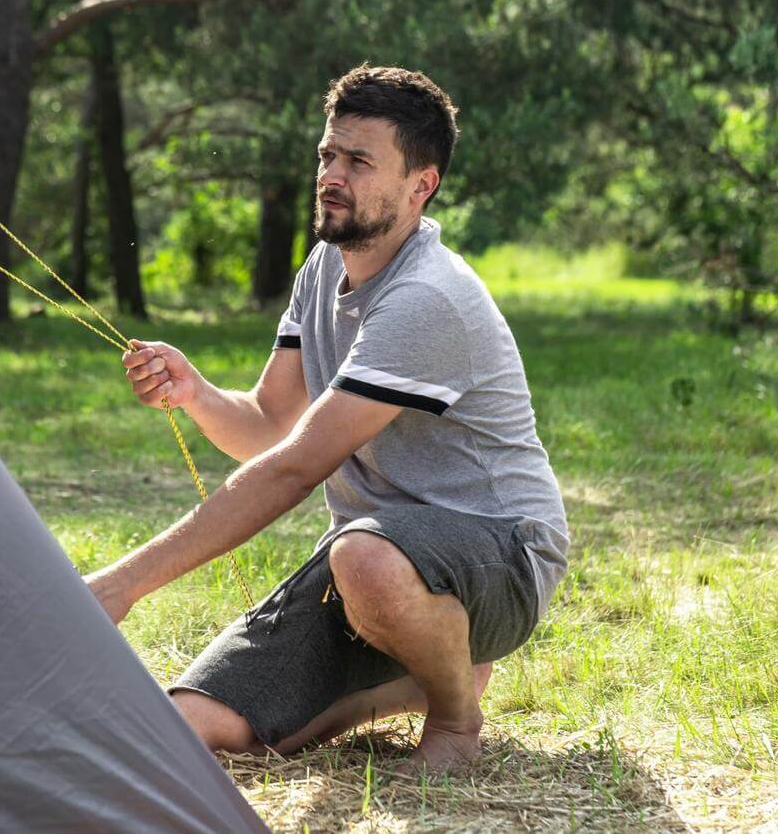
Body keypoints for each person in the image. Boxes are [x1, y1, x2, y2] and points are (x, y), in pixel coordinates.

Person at [86, 64, 569, 770]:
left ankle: (456, 719)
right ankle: (420, 670)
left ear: (420, 185)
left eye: (360, 161)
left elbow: (292, 468)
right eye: (328, 154)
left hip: (501, 557)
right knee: (188, 726)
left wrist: (121, 583)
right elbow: (268, 424)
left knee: (364, 555)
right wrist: (193, 391)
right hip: (370, 570)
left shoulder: (427, 298)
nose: (332, 175)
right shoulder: (322, 266)